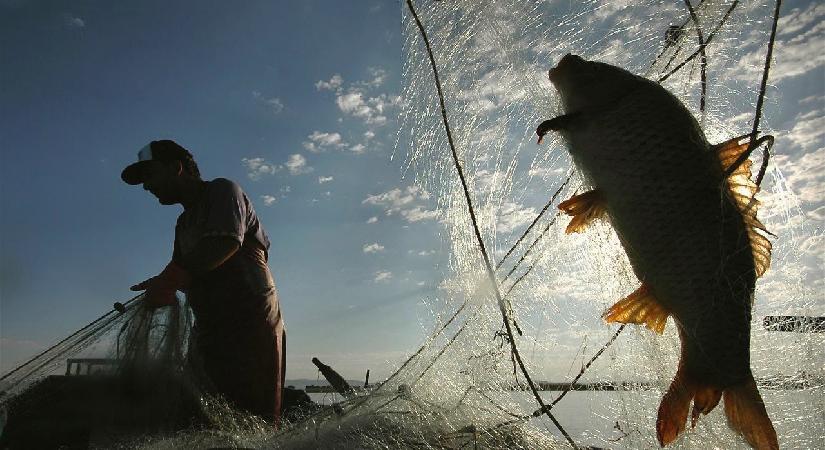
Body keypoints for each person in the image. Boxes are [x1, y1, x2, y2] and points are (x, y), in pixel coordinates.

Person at [121, 139, 286, 425]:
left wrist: (170, 279)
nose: (146, 187)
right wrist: (160, 285)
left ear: (176, 168)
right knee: (204, 415)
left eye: (150, 175)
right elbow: (185, 271)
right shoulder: (184, 223)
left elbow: (224, 242)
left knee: (252, 417)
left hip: (250, 325)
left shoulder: (223, 190)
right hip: (210, 328)